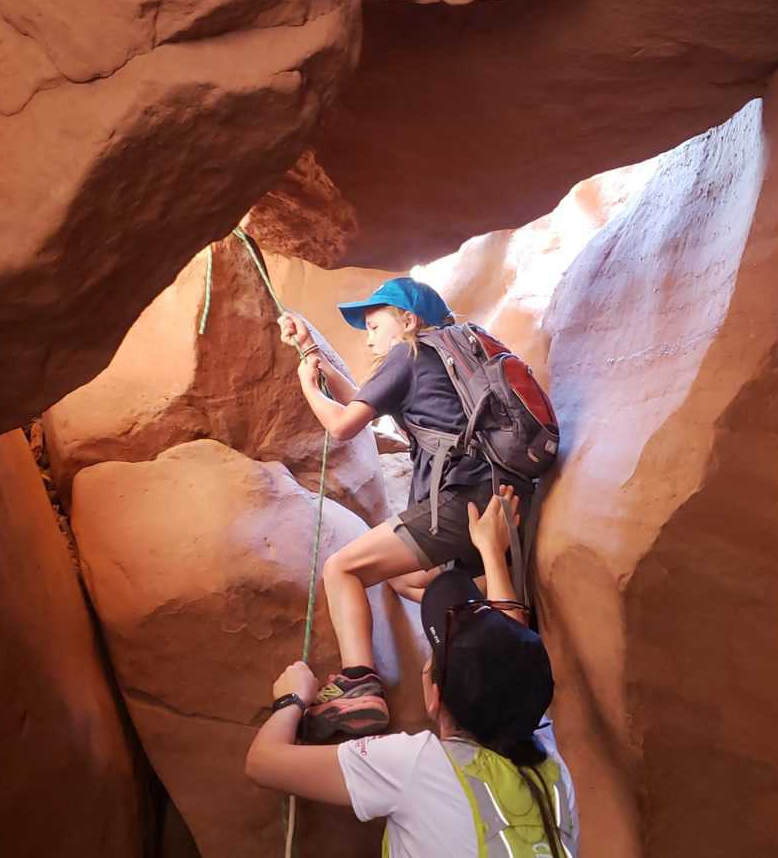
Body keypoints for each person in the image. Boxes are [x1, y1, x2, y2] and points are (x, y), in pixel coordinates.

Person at [245, 489, 579, 857]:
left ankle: (358, 678)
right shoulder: (551, 765)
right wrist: (491, 551)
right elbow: (511, 652)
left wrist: (291, 698)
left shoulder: (416, 767)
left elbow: (263, 763)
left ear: (434, 699)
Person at [278, 277, 537, 740]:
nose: (369, 336)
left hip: (461, 506)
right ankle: (477, 591)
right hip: (497, 497)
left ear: (408, 320)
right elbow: (367, 400)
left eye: (375, 325)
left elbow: (343, 425)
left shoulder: (410, 354)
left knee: (343, 569)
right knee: (400, 576)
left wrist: (307, 386)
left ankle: (358, 684)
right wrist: (310, 350)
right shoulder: (445, 357)